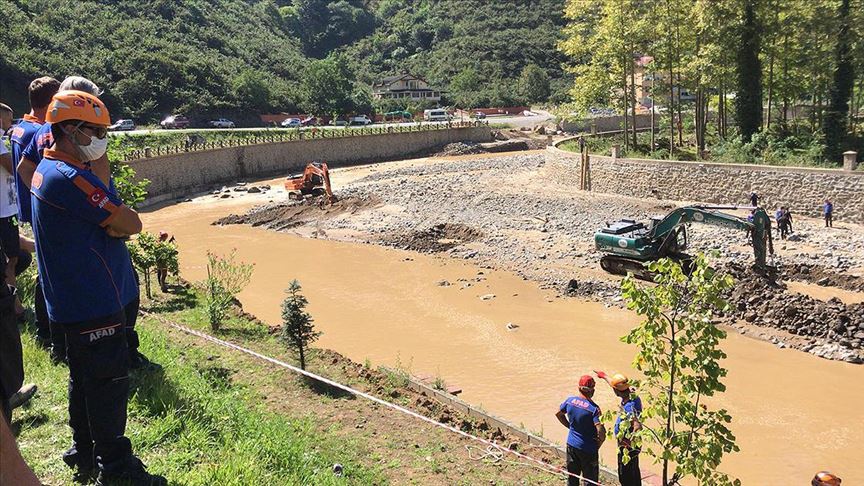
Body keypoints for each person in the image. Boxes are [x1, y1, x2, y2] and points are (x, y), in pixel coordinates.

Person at [30, 90, 166, 485]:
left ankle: (84, 451)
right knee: (107, 384)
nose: (103, 139)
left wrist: (113, 221)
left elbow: (115, 218)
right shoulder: (70, 179)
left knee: (83, 378)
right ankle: (117, 470)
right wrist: (117, 222)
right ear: (72, 130)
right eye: (97, 131)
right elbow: (131, 222)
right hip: (93, 298)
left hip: (72, 298)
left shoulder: (47, 168)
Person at [10, 77, 60, 348]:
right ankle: (46, 332)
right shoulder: (38, 133)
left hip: (27, 208)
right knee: (47, 272)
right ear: (52, 101)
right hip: (39, 211)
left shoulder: (21, 128)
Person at [556, 375, 605, 486]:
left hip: (571, 445)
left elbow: (558, 414)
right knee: (590, 481)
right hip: (588, 449)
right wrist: (599, 443)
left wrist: (570, 426)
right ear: (593, 390)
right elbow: (601, 431)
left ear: (579, 388)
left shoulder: (570, 401)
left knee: (572, 477)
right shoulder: (594, 409)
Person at [596, 371, 642, 486]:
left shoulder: (630, 407)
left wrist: (629, 442)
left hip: (627, 447)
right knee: (634, 471)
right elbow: (615, 384)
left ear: (617, 391)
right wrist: (604, 376)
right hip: (630, 445)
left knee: (625, 475)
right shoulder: (633, 396)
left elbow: (637, 426)